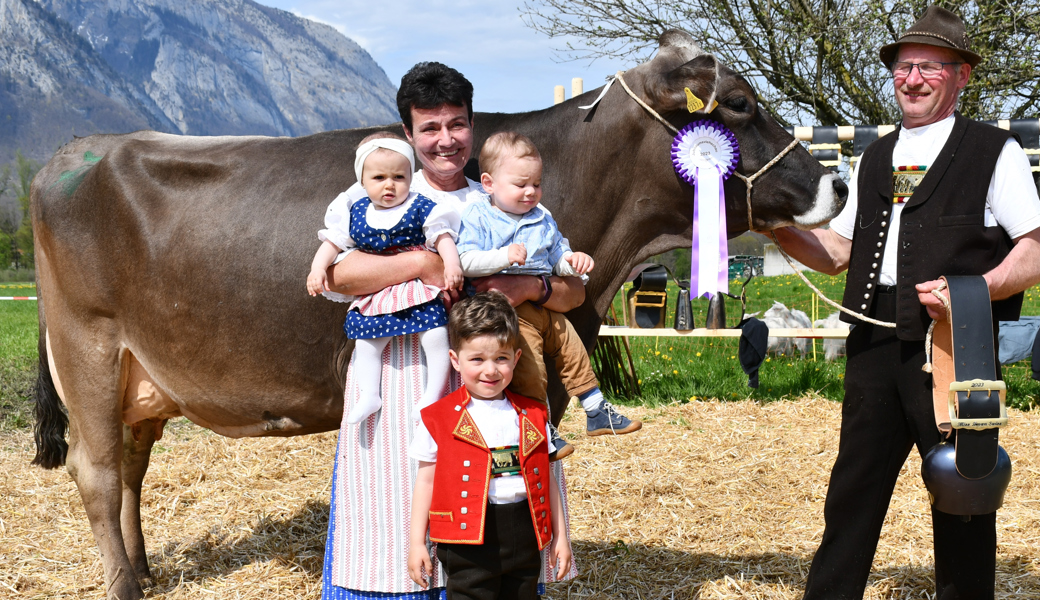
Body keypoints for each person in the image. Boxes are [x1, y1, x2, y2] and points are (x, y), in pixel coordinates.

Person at [771, 6, 1040, 598]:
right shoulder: (873, 157)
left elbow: (1034, 249)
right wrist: (774, 229)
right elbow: (839, 250)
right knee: (852, 489)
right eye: (902, 65)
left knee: (963, 491)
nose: (911, 79)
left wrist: (977, 290)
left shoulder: (997, 151)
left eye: (929, 67)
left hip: (954, 346)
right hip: (872, 340)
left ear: (961, 75)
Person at [320, 62, 579, 600]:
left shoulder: (510, 197)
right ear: (408, 135)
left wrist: (529, 290)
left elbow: (573, 291)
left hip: (494, 372)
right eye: (429, 128)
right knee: (398, 496)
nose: (445, 140)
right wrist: (422, 265)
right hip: (405, 369)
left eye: (456, 124)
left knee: (500, 501)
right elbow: (336, 276)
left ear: (472, 125)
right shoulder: (384, 195)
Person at [457, 131, 641, 443]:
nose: (530, 192)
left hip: (542, 304)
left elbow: (557, 255)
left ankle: (595, 408)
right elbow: (465, 261)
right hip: (505, 311)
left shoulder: (542, 217)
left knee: (573, 347)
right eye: (520, 185)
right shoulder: (479, 215)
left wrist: (573, 261)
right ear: (489, 183)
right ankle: (537, 427)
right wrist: (503, 256)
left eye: (537, 184)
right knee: (531, 367)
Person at [407, 291, 572, 598]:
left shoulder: (534, 414)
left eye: (501, 358)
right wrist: (417, 542)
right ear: (455, 360)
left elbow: (548, 479)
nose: (490, 370)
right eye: (477, 359)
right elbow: (426, 481)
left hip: (524, 532)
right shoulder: (437, 418)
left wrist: (561, 537)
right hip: (467, 543)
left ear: (516, 358)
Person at [307, 132, 462, 424]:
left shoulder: (421, 205)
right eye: (379, 178)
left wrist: (451, 263)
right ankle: (369, 394)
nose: (389, 185)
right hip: (378, 290)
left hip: (416, 288)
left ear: (409, 178)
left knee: (435, 333)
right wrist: (317, 270)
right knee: (366, 341)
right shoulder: (355, 211)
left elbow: (442, 236)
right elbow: (332, 243)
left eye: (399, 177)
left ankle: (434, 392)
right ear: (362, 181)